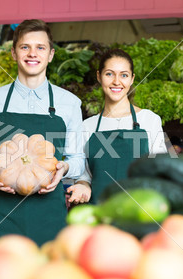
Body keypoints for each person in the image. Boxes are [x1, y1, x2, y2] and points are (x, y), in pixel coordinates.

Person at [0, 19, 85, 246]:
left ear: (51, 54)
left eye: (40, 47)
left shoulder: (69, 103)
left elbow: (78, 160)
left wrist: (66, 168)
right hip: (2, 215)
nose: (33, 54)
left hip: (49, 216)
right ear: (13, 53)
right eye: (25, 47)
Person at [67, 49, 167, 205]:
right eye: (109, 74)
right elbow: (84, 176)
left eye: (124, 75)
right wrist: (82, 186)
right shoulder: (88, 126)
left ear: (132, 79)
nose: (116, 81)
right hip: (98, 213)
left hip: (139, 213)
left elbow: (160, 171)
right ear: (99, 76)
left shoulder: (149, 120)